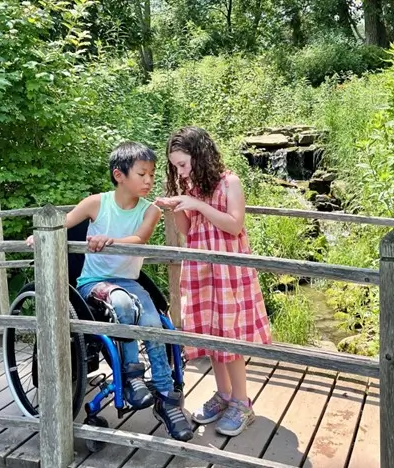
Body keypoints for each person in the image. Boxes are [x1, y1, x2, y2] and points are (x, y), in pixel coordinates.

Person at [26, 141, 193, 442]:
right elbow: (61, 224)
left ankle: (167, 396)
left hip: (130, 281)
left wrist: (110, 240)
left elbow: (139, 238)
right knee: (121, 304)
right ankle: (131, 375)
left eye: (152, 175)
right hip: (94, 282)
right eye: (142, 173)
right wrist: (37, 237)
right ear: (119, 174)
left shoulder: (150, 211)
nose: (148, 180)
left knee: (156, 324)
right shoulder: (96, 203)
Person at [155, 126, 272, 437]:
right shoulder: (192, 187)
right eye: (175, 166)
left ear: (200, 155)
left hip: (229, 270)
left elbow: (234, 225)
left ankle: (242, 402)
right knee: (210, 334)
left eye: (182, 163)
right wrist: (176, 208)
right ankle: (223, 395)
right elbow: (186, 232)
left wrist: (199, 206)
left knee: (230, 337)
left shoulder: (229, 182)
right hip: (201, 268)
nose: (179, 170)